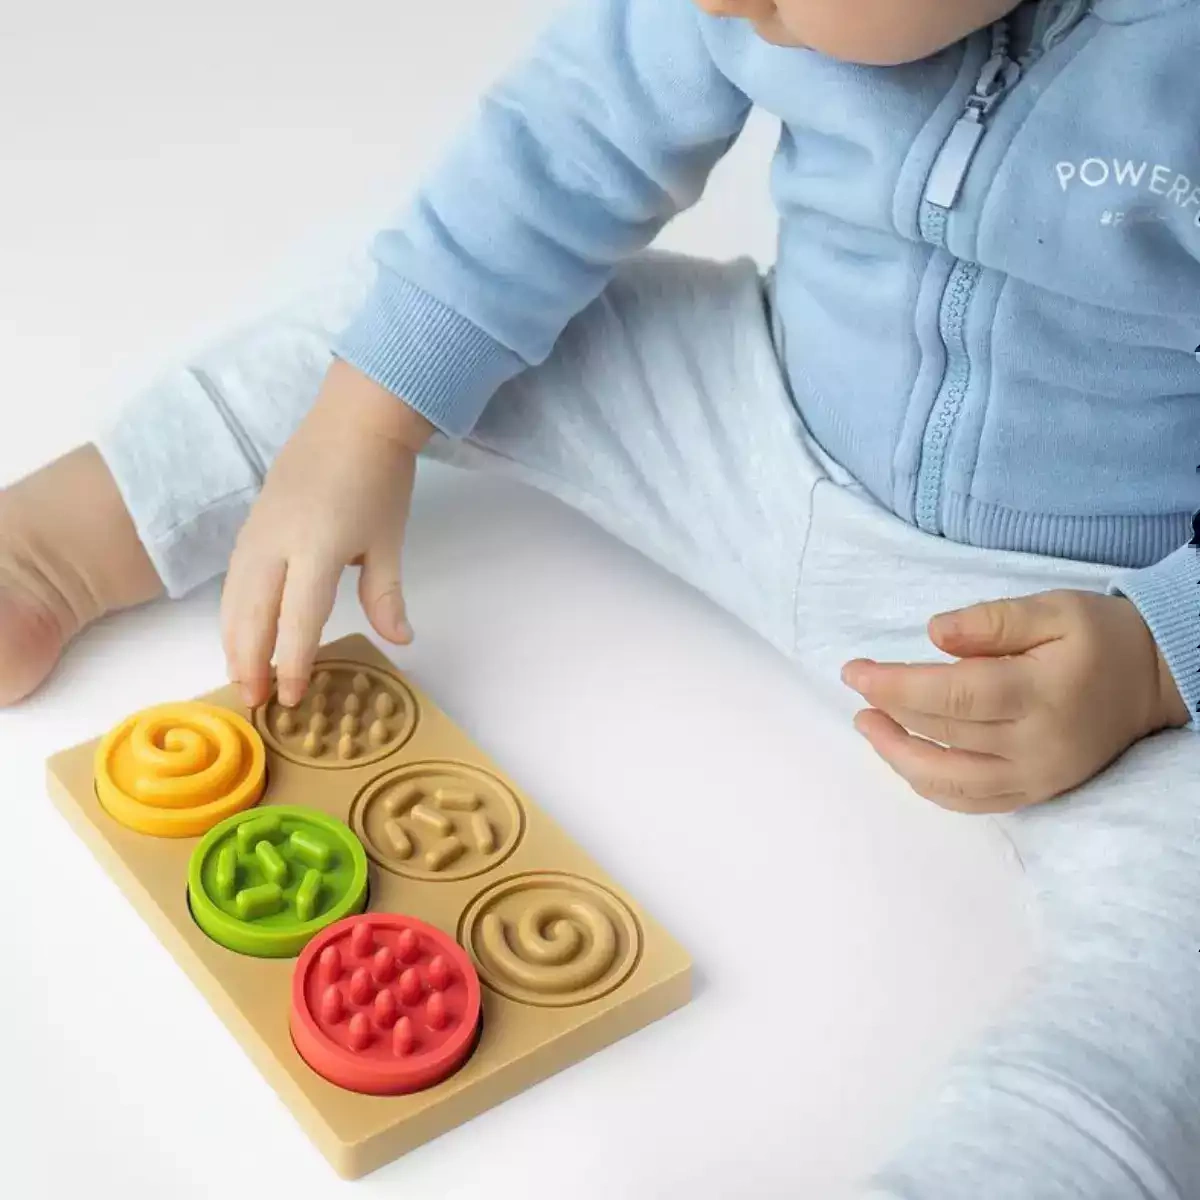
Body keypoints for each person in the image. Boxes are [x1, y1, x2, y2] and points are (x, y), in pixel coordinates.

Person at [3, 0, 1199, 1193]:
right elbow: (565, 143)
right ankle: (58, 546)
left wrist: (1159, 654)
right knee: (414, 316)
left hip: (1066, 627)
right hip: (749, 425)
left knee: (1174, 967)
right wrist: (367, 418)